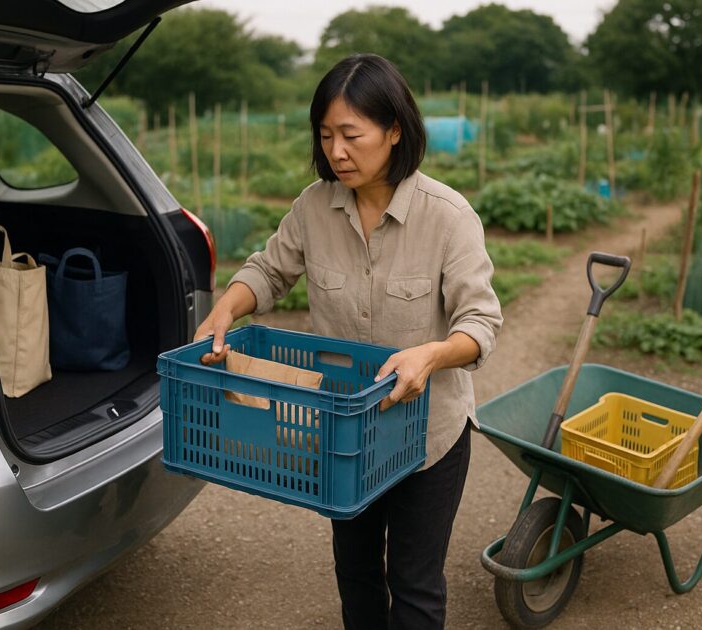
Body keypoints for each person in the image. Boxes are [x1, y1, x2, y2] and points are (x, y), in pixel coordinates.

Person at [194, 53, 503, 629]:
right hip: (344, 435)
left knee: (415, 586)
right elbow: (269, 271)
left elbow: (480, 323)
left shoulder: (448, 217)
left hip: (427, 437)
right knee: (356, 572)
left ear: (393, 131)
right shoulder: (314, 207)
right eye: (326, 135)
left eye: (352, 135)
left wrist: (430, 355)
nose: (337, 151)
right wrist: (225, 308)